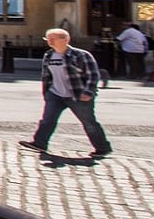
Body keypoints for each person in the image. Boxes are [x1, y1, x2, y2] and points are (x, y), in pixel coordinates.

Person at [21, 28, 112, 159]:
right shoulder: (49, 55)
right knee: (48, 120)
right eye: (48, 39)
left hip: (77, 94)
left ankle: (102, 148)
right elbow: (47, 76)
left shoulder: (81, 55)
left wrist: (89, 92)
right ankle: (39, 143)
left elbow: (93, 75)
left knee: (89, 122)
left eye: (54, 39)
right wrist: (47, 93)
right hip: (56, 94)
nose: (50, 42)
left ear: (65, 39)